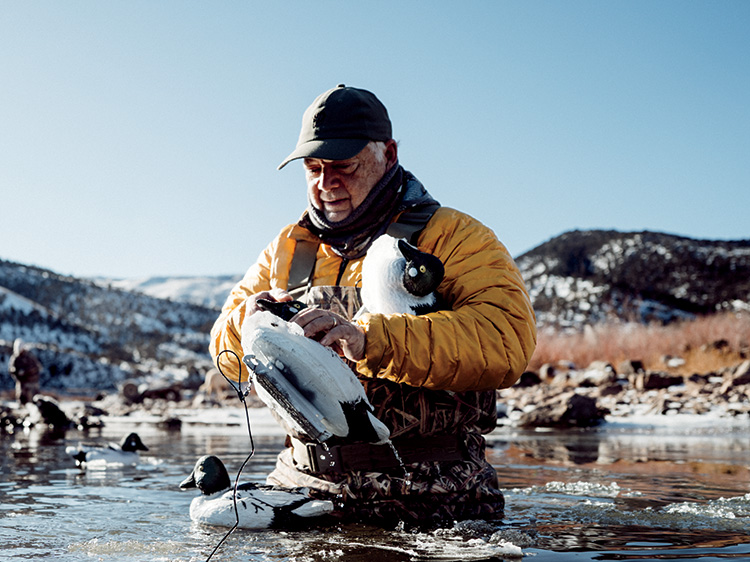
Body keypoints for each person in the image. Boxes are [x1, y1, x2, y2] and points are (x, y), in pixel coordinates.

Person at [210, 85, 536, 528]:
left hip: (435, 498)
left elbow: (505, 342)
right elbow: (226, 354)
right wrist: (250, 322)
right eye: (313, 168)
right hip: (302, 489)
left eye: (343, 166)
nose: (327, 184)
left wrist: (369, 339)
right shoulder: (287, 249)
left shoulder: (455, 236)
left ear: (389, 152)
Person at [9, 339, 41, 404]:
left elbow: (37, 368)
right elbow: (11, 369)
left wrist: (26, 372)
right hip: (21, 382)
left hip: (31, 383)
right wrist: (16, 373)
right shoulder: (15, 358)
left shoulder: (30, 356)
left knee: (33, 400)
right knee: (22, 399)